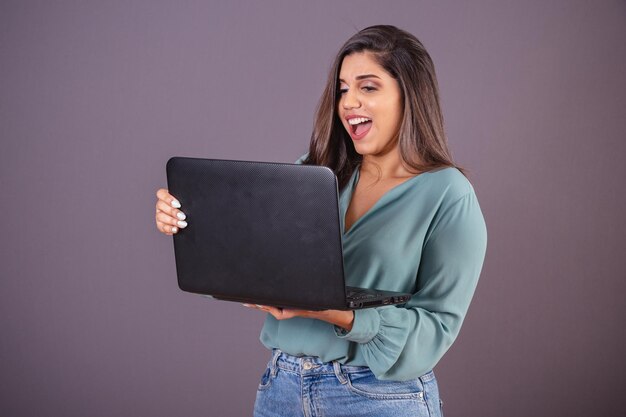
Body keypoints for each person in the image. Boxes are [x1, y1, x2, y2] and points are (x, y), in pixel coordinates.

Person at [155, 25, 487, 417]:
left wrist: (337, 313)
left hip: (379, 397)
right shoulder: (313, 175)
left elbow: (436, 329)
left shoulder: (448, 194)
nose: (349, 102)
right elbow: (254, 260)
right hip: (282, 386)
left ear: (408, 95)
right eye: (343, 89)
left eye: (368, 87)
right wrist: (191, 222)